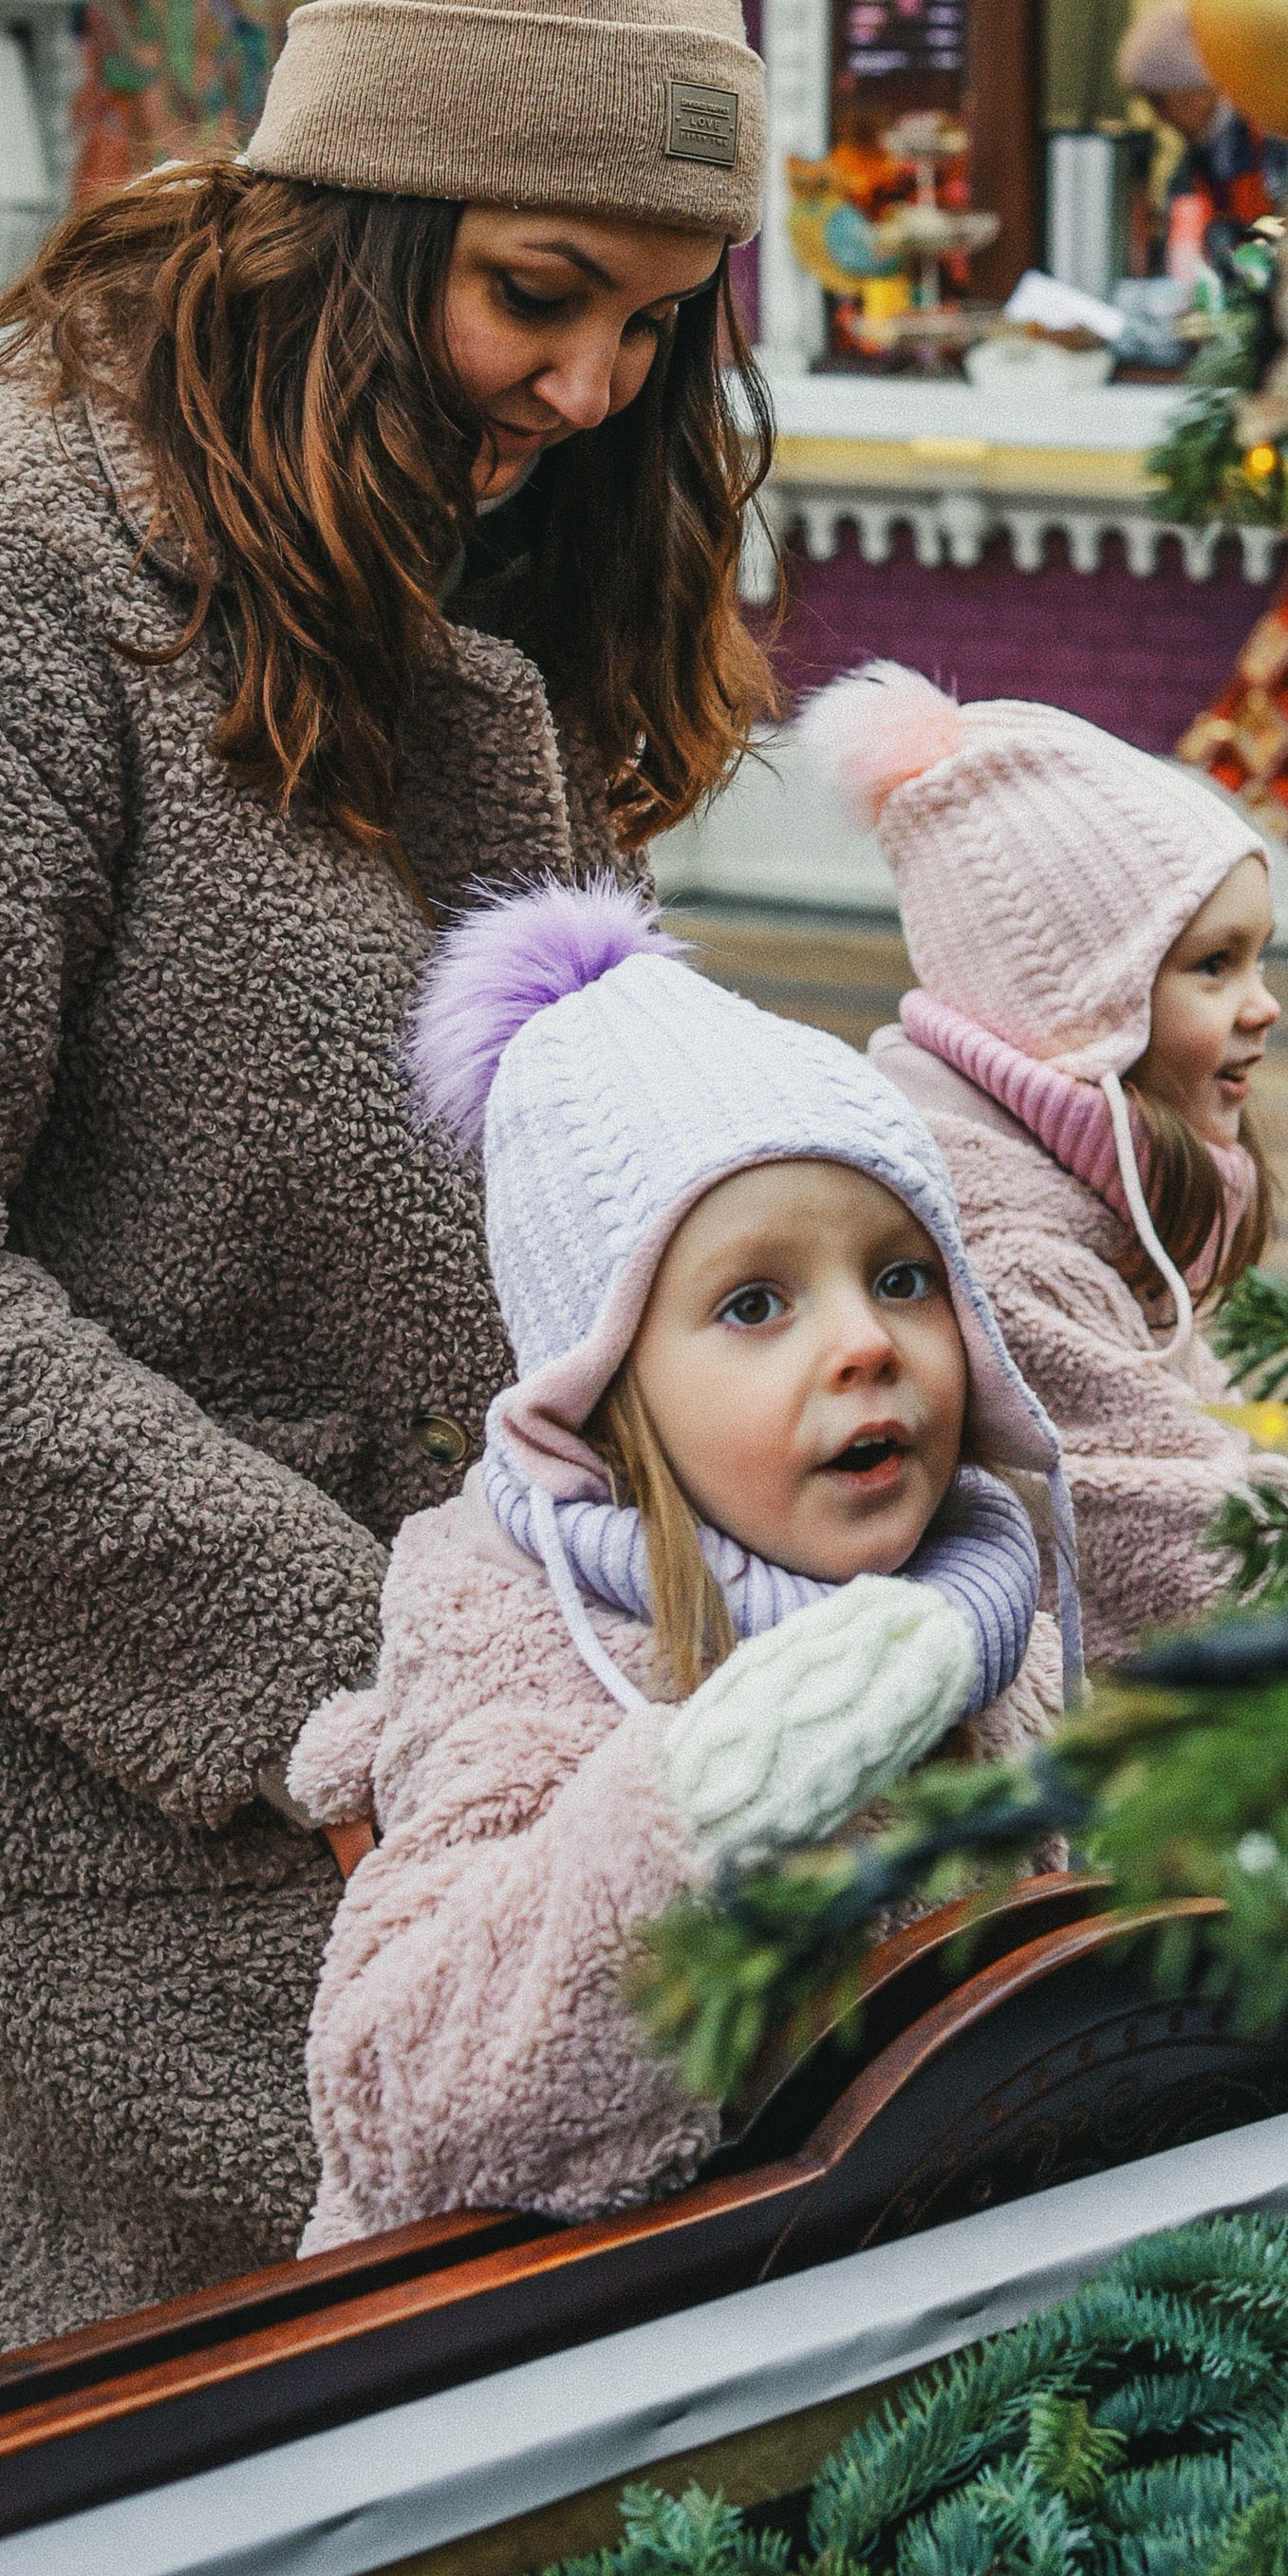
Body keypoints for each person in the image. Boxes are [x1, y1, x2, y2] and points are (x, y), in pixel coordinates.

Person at [0, 0, 772, 2396]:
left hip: (482, 1773)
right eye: (536, 291)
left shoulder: (470, 572)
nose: (590, 384)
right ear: (363, 210)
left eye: (652, 323)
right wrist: (372, 1672)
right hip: (138, 1814)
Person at [288, 881, 1071, 2245]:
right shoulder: (522, 1647)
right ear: (600, 1398)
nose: (866, 1341)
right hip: (590, 2381)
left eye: (902, 1276)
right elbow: (409, 2105)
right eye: (755, 1302)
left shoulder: (992, 1605)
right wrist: (724, 1785)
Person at [804, 666, 1288, 1667]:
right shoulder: (1013, 1255)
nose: (1263, 1003)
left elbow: (1209, 1425)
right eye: (1214, 965)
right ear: (1079, 1008)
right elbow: (1166, 1539)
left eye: (1258, 958)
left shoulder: (1093, 1182)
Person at [1116, 0, 1285, 279]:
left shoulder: (1273, 137)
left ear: (1195, 93)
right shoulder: (1195, 162)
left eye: (1159, 102)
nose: (1161, 119)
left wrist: (1241, 245)